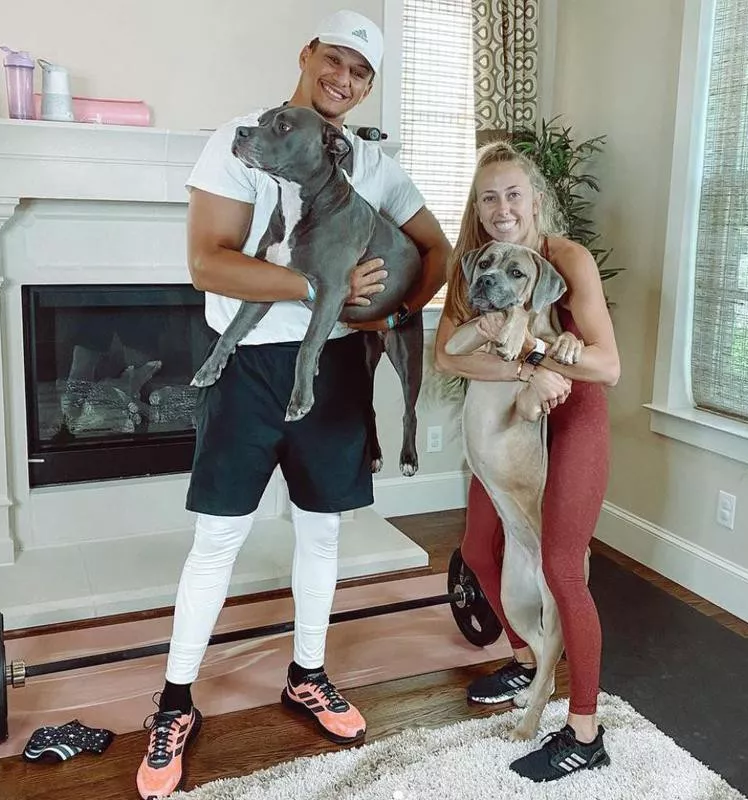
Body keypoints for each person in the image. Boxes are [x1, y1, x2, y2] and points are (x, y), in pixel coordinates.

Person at [136, 10, 451, 799]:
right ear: (307, 55)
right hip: (245, 366)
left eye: (361, 73)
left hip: (335, 367)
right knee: (218, 540)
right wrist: (323, 286)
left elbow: (437, 249)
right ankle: (175, 701)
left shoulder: (369, 161)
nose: (344, 80)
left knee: (320, 535)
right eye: (334, 61)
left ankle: (306, 675)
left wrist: (390, 314)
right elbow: (208, 263)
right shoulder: (241, 140)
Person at [434, 140, 620, 782]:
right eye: (489, 197)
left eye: (513, 193)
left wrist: (539, 356)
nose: (502, 206)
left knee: (563, 567)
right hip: (518, 419)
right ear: (479, 209)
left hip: (575, 418)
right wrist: (529, 366)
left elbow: (608, 365)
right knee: (482, 551)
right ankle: (526, 657)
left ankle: (585, 728)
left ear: (536, 200)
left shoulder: (567, 259)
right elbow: (449, 357)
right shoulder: (479, 268)